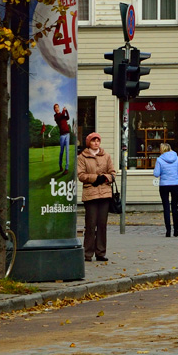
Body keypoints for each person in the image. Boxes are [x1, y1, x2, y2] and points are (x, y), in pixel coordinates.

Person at [77, 133, 115, 262]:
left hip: (105, 193)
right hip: (90, 194)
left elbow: (113, 173)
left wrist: (105, 178)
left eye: (98, 140)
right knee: (91, 224)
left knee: (102, 224)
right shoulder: (82, 157)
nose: (96, 143)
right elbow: (81, 175)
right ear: (89, 143)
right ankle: (88, 253)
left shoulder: (106, 156)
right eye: (93, 140)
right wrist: (95, 178)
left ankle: (101, 252)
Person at [153, 142, 178, 237]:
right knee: (175, 207)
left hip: (164, 185)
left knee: (166, 208)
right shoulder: (176, 158)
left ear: (162, 150)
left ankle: (168, 231)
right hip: (175, 184)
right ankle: (176, 230)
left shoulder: (159, 159)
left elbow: (156, 174)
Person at [54, 103, 72, 174]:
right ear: (54, 110)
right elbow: (61, 116)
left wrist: (66, 110)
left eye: (57, 107)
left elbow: (68, 117)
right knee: (62, 151)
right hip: (62, 135)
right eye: (55, 108)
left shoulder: (62, 115)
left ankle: (66, 168)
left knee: (67, 151)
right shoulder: (56, 116)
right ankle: (60, 165)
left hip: (67, 134)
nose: (57, 108)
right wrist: (64, 110)